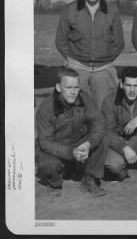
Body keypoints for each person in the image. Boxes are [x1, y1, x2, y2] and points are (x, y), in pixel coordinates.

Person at [55, 0, 125, 109]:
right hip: (78, 67)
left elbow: (119, 43)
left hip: (103, 69)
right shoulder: (69, 10)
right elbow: (60, 41)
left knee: (105, 109)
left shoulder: (112, 11)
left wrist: (106, 60)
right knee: (75, 110)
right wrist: (72, 60)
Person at [36, 68, 107, 197]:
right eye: (68, 87)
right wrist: (70, 153)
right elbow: (46, 142)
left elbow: (99, 122)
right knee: (48, 164)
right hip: (56, 148)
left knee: (103, 137)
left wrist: (88, 144)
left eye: (76, 87)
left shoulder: (85, 99)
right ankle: (54, 183)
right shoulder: (46, 108)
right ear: (58, 87)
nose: (73, 92)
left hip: (78, 143)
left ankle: (89, 178)